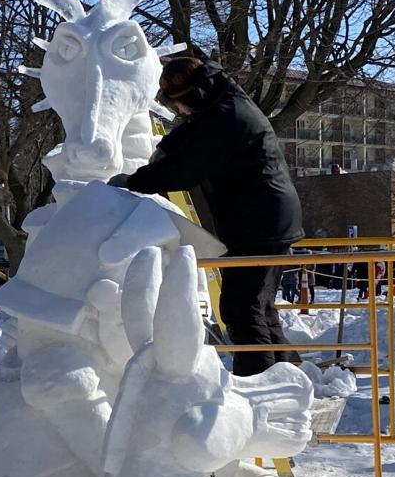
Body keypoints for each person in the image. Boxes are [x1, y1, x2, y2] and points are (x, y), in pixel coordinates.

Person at [110, 56, 304, 375]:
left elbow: (187, 168)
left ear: (192, 95)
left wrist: (134, 181)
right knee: (260, 308)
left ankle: (256, 390)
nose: (179, 112)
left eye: (178, 105)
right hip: (267, 219)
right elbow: (192, 133)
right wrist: (168, 145)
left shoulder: (226, 116)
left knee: (241, 310)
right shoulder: (225, 101)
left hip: (259, 223)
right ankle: (289, 382)